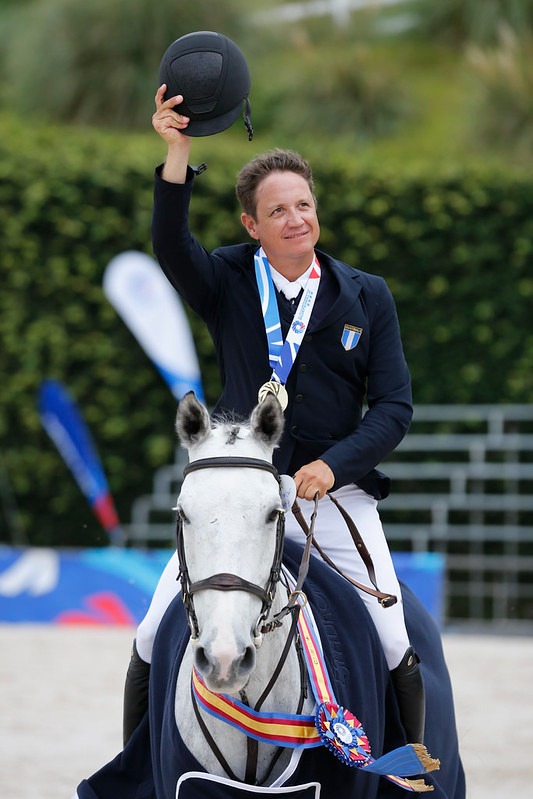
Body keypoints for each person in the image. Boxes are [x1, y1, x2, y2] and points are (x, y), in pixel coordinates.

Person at [122, 84, 424, 750]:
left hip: (330, 495)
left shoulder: (367, 295)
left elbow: (393, 407)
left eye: (303, 205)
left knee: (393, 637)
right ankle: (139, 774)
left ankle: (403, 776)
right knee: (148, 634)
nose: (295, 219)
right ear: (251, 225)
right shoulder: (224, 280)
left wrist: (334, 465)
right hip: (237, 490)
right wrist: (177, 152)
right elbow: (170, 242)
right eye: (277, 210)